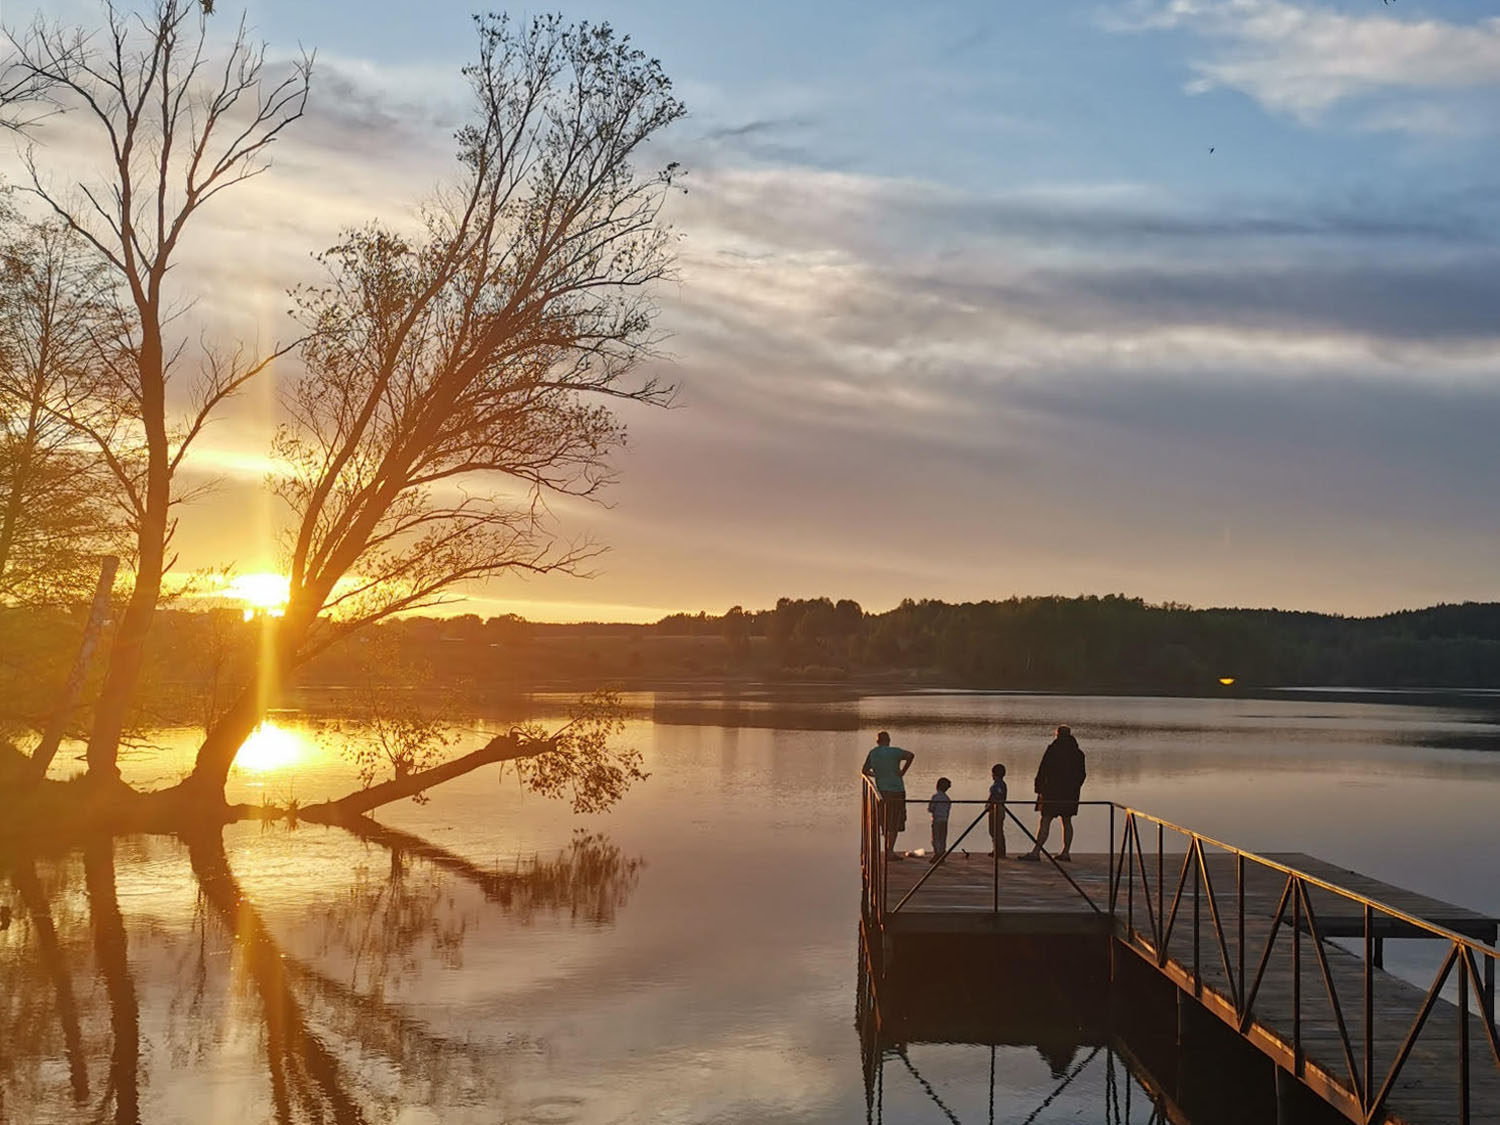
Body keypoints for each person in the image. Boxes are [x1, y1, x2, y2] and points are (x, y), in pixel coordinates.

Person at [1019, 725, 1086, 862]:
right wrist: (1075, 788)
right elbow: (1082, 775)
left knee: (1045, 820)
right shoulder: (1078, 753)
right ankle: (1066, 852)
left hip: (1051, 792)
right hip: (1070, 793)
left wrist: (1038, 787)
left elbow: (1043, 769)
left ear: (1057, 735)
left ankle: (1036, 852)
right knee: (1067, 821)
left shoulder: (1053, 750)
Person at [861, 731, 914, 859]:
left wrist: (877, 775)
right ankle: (890, 850)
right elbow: (911, 755)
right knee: (895, 821)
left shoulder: (873, 753)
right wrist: (902, 772)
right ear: (888, 740)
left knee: (884, 818)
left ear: (877, 741)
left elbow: (864, 771)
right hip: (897, 790)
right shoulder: (895, 752)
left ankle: (884, 849)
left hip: (882, 791)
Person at [927, 777, 952, 863]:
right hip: (944, 820)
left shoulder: (935, 797)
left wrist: (931, 809)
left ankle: (937, 854)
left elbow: (931, 808)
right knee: (943, 838)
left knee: (935, 838)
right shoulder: (947, 799)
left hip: (937, 820)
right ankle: (942, 853)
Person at [986, 763, 1008, 858]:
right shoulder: (1000, 784)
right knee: (995, 830)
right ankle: (997, 849)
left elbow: (997, 796)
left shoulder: (999, 785)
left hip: (997, 809)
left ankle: (999, 851)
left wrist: (991, 804)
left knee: (996, 830)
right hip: (997, 808)